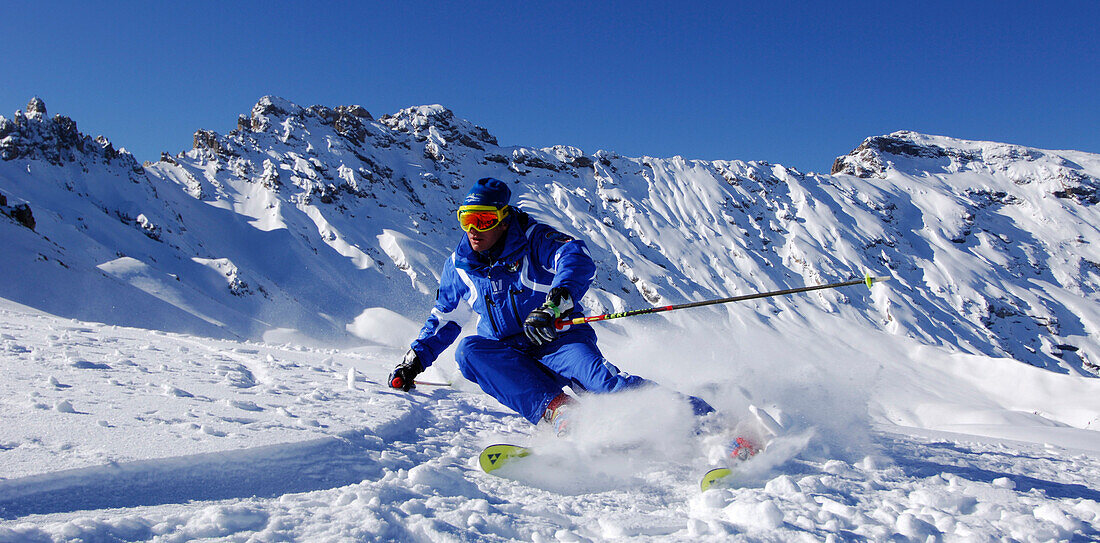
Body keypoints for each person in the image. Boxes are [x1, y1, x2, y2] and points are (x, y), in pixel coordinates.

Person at [389, 177, 714, 434]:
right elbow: (444, 319)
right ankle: (560, 412)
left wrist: (556, 306)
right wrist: (414, 361)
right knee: (469, 352)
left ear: (504, 219)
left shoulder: (534, 240)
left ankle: (709, 423)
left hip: (557, 340)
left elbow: (576, 257)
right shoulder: (461, 266)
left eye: (484, 219)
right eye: (467, 219)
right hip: (509, 352)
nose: (474, 230)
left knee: (605, 387)